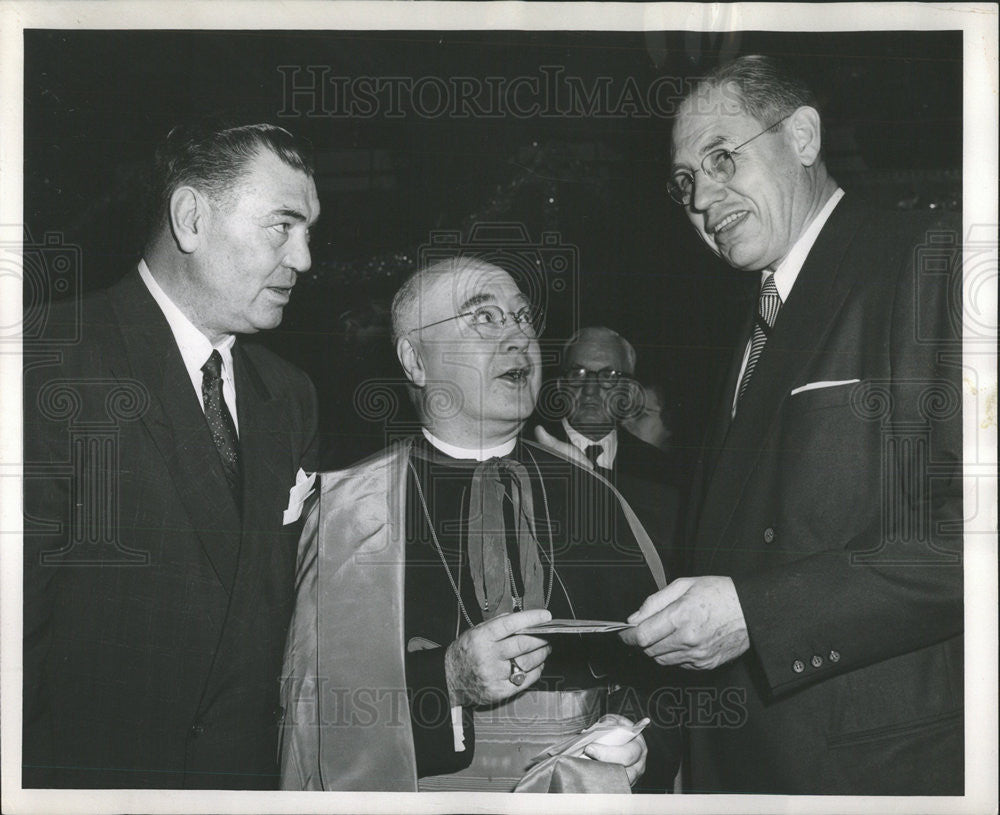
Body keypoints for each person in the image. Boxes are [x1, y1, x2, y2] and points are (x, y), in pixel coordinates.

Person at [620, 55, 963, 794]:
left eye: (721, 159)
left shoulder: (931, 260)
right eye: (684, 183)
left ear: (803, 135)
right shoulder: (747, 329)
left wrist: (759, 612)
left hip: (874, 772)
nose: (703, 198)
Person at [279, 257, 680, 792]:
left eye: (522, 319)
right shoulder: (353, 508)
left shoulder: (598, 495)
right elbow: (313, 720)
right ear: (415, 360)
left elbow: (664, 674)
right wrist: (444, 683)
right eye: (485, 318)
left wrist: (633, 736)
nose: (518, 337)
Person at [22, 120, 321, 789]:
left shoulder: (291, 395)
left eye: (309, 231)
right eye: (283, 224)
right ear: (190, 218)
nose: (303, 257)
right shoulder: (48, 363)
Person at [537, 327, 683, 576]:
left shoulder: (661, 471)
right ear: (561, 385)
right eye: (578, 373)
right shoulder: (529, 456)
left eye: (609, 376)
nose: (591, 389)